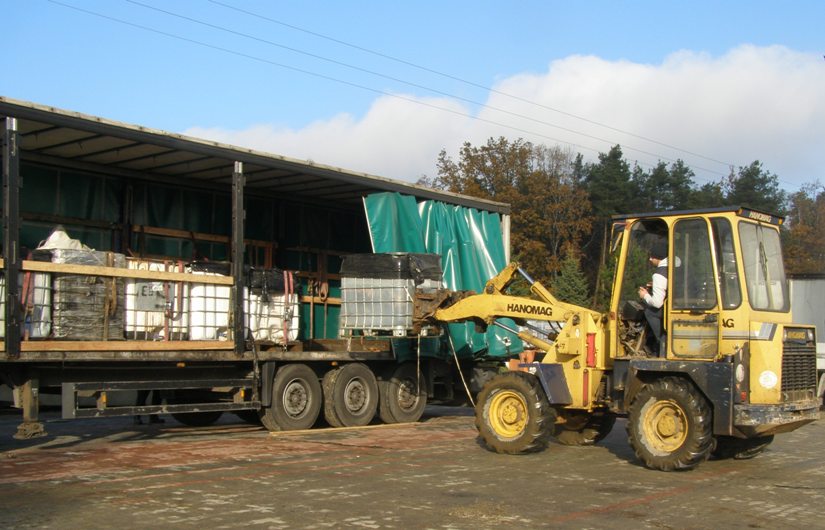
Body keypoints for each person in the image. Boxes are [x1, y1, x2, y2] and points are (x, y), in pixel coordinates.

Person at [637, 239, 668, 356]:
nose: (650, 259)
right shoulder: (674, 265)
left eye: (652, 257)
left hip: (669, 310)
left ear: (658, 258)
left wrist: (645, 295)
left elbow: (657, 303)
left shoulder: (659, 275)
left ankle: (661, 341)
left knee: (650, 312)